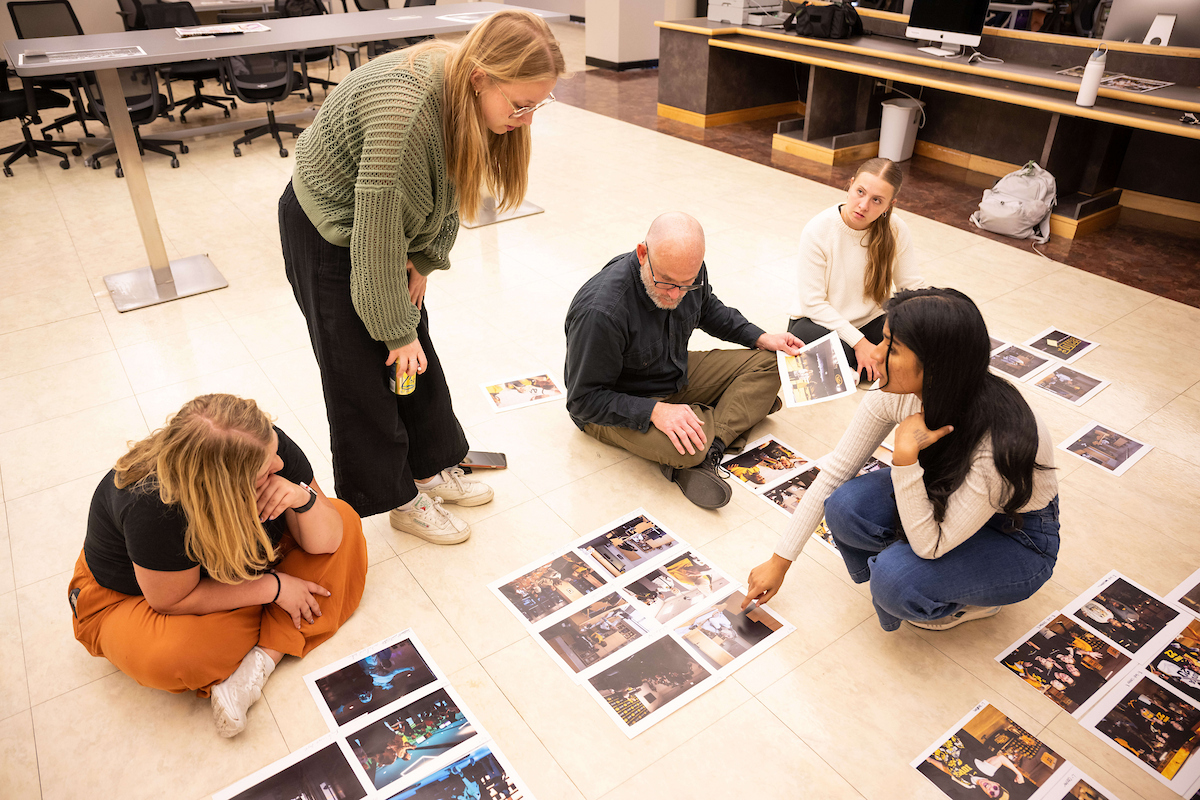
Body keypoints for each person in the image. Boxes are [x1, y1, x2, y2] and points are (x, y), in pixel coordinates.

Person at [280, 11, 567, 544]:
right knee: (361, 371)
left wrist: (426, 260)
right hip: (332, 227)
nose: (527, 118)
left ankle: (431, 464)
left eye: (538, 105)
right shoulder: (405, 115)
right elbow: (374, 237)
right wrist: (396, 327)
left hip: (380, 226)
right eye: (521, 104)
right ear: (483, 77)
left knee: (413, 357)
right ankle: (397, 498)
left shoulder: (461, 85)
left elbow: (448, 179)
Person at [744, 288, 1060, 631]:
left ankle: (961, 599)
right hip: (948, 489)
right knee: (844, 505)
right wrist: (780, 561)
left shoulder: (997, 442)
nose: (875, 356)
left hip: (1016, 535)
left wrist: (906, 457)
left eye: (892, 349)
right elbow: (836, 472)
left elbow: (931, 544)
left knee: (897, 581)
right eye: (883, 340)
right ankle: (921, 570)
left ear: (936, 367)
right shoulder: (898, 394)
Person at [68, 394, 367, 737]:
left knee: (341, 521)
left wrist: (303, 499)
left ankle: (261, 660)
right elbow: (171, 600)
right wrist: (276, 588)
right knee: (174, 656)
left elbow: (327, 539)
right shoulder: (151, 505)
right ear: (222, 487)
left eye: (274, 454)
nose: (279, 468)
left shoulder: (263, 444)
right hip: (136, 597)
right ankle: (278, 623)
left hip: (239, 566)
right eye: (263, 473)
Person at [564, 212, 803, 509]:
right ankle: (726, 419)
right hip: (619, 402)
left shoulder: (690, 271)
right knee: (690, 449)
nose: (675, 294)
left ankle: (713, 443)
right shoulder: (601, 312)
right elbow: (583, 401)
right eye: (666, 283)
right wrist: (654, 411)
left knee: (770, 362)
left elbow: (708, 310)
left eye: (686, 284)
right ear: (642, 254)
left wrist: (761, 337)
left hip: (670, 370)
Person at [788, 158, 926, 383]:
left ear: (889, 205)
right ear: (850, 185)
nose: (863, 205)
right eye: (860, 191)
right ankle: (858, 362)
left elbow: (910, 287)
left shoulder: (896, 228)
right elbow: (813, 303)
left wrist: (938, 317)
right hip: (817, 322)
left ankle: (856, 364)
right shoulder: (818, 230)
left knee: (915, 341)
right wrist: (859, 343)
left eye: (876, 200)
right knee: (863, 362)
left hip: (871, 321)